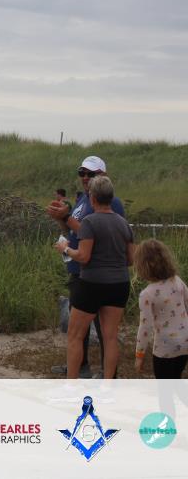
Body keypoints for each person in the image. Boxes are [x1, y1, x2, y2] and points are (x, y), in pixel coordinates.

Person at [47, 155, 125, 377]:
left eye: (91, 173)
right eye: (82, 173)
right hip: (80, 270)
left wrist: (67, 218)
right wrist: (61, 218)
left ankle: (104, 376)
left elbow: (91, 232)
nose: (85, 177)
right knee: (79, 328)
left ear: (103, 175)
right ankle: (81, 367)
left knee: (103, 331)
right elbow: (74, 231)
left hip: (92, 272)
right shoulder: (84, 199)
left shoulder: (111, 202)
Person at [133, 239, 188, 379]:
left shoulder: (147, 294)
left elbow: (145, 327)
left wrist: (139, 355)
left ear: (142, 265)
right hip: (184, 343)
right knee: (176, 379)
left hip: (164, 349)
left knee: (165, 387)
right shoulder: (177, 280)